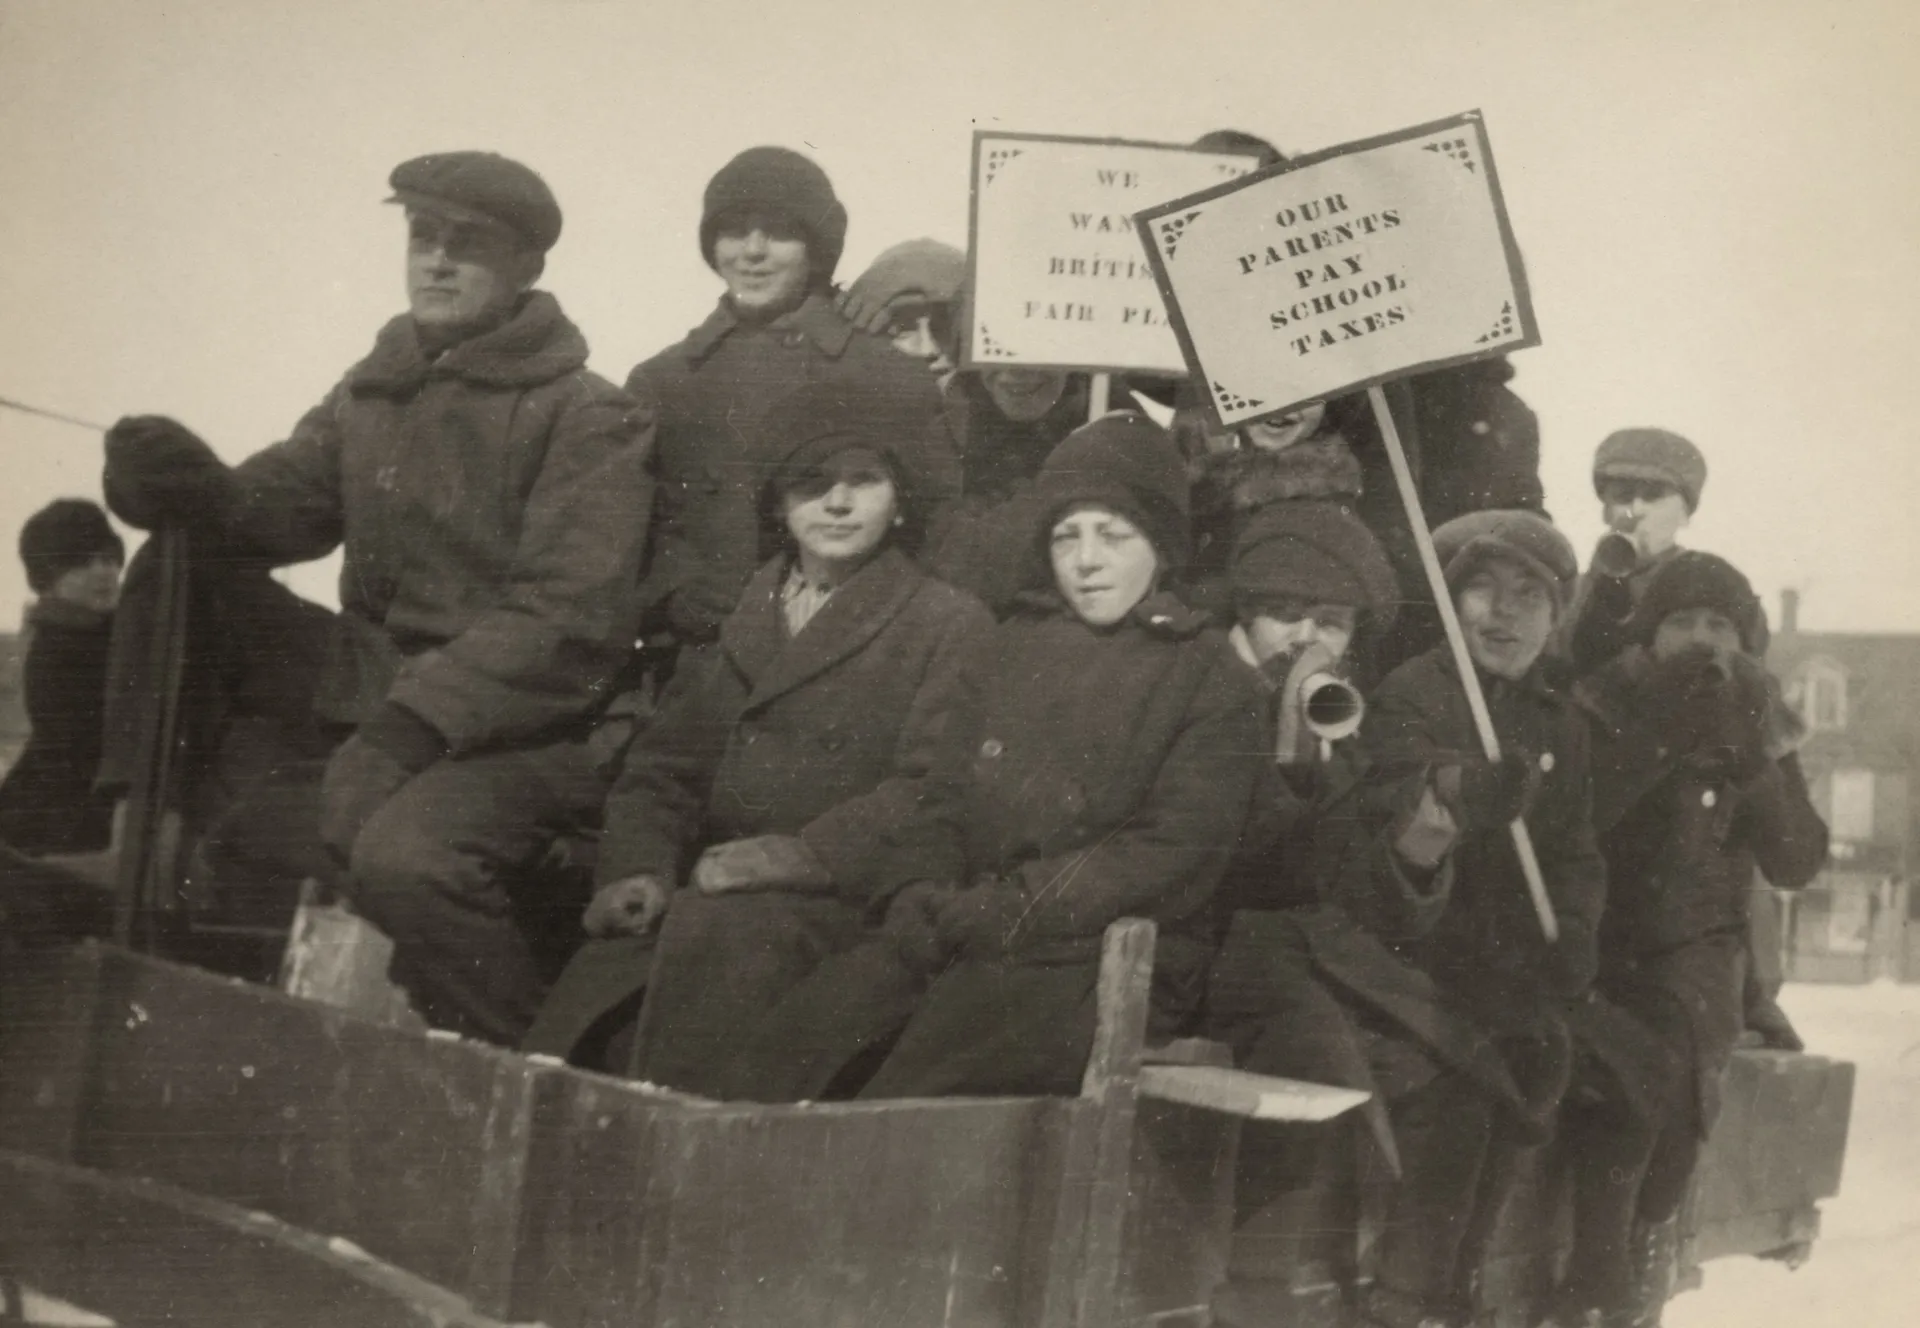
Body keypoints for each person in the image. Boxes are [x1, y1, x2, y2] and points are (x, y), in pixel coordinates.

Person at [102, 151, 653, 1044]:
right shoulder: (377, 387)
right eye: (422, 237)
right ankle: (134, 830)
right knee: (176, 561)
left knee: (400, 858)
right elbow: (281, 509)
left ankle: (546, 1060)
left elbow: (568, 618)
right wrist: (191, 489)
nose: (435, 260)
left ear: (528, 268)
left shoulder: (586, 413)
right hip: (376, 684)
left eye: (466, 245)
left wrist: (404, 729)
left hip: (514, 724)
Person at [527, 379, 991, 1084]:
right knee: (593, 1013)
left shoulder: (945, 623)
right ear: (779, 503)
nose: (837, 503)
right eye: (812, 483)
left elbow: (930, 788)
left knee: (716, 1004)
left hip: (834, 908)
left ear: (899, 502)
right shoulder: (744, 613)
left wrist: (798, 856)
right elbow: (664, 769)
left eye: (862, 481)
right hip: (706, 888)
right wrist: (639, 870)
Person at [841, 410, 1264, 1098]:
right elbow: (940, 792)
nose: (1086, 559)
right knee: (826, 1021)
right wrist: (917, 887)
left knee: (926, 1079)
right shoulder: (1007, 646)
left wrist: (1018, 907)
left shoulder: (1209, 673)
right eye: (1066, 537)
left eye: (1114, 535)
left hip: (1102, 950)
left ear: (1160, 545)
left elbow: (1170, 852)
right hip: (971, 923)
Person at [1545, 553, 1829, 1328]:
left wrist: (1759, 768)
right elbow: (1576, 818)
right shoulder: (1603, 698)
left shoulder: (1758, 707)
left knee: (1672, 1061)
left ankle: (1639, 1247)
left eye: (1719, 625)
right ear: (1649, 631)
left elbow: (1797, 860)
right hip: (1596, 938)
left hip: (1702, 956)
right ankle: (1603, 1276)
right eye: (1681, 623)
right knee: (1632, 1059)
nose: (1701, 640)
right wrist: (1661, 738)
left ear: (1744, 640)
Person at [1336, 510, 1604, 1328]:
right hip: (1405, 968)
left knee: (1534, 1073)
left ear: (1556, 617)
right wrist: (1455, 793)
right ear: (1449, 607)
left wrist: (1573, 935)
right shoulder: (1414, 692)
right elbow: (1397, 813)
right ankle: (1408, 1302)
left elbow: (1573, 854)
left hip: (1508, 977)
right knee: (1461, 1090)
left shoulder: (1561, 720)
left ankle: (1461, 1291)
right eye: (1481, 589)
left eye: (1529, 595)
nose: (1503, 612)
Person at [630, 147, 953, 657]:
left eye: (778, 232)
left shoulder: (886, 373)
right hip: (706, 658)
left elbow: (936, 527)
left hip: (857, 652)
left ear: (816, 248)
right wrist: (679, 599)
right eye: (734, 231)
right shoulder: (666, 381)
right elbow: (636, 530)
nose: (752, 251)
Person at [0, 500, 123, 855]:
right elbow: (76, 747)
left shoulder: (107, 632)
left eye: (110, 559)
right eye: (83, 563)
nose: (104, 572)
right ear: (48, 578)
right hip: (57, 816)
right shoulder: (56, 648)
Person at [1561, 428, 1706, 675]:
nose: (1636, 509)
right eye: (1623, 496)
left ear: (1685, 514)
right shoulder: (1571, 591)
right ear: (1605, 511)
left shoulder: (1706, 589)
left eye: (1653, 497)